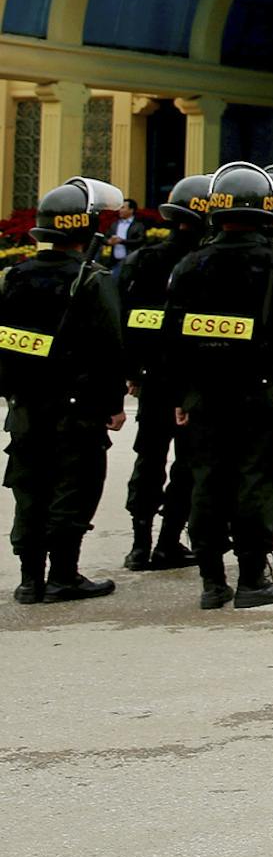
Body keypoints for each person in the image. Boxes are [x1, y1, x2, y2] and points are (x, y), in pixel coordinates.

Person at [164, 162, 273, 610]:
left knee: (207, 482)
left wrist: (181, 394)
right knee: (257, 482)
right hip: (263, 394)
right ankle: (252, 578)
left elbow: (173, 338)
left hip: (205, 394)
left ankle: (212, 581)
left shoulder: (191, 264)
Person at [2, 180, 128, 604]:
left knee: (30, 487)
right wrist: (112, 404)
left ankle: (29, 578)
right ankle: (62, 576)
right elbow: (109, 347)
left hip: (25, 404)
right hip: (77, 408)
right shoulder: (91, 280)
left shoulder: (14, 276)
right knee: (74, 486)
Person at [113, 174, 210, 572]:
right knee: (188, 461)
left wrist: (133, 371)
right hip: (192, 380)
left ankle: (140, 545)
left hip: (153, 378)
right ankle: (170, 541)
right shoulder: (207, 263)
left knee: (148, 458)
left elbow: (127, 321)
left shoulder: (144, 259)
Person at [109, 198, 140, 263]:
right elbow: (106, 237)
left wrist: (122, 241)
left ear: (131, 210)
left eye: (123, 208)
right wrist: (109, 241)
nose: (120, 210)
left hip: (131, 261)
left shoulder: (138, 225)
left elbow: (140, 241)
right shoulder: (115, 224)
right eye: (120, 208)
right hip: (114, 261)